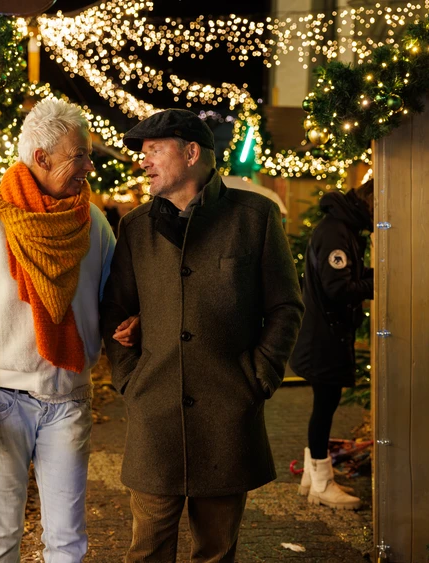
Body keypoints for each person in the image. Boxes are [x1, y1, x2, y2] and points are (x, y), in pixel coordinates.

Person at [100, 109, 304, 563]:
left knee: (215, 552)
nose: (144, 161)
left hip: (227, 416)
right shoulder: (135, 227)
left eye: (154, 150)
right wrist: (129, 379)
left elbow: (285, 307)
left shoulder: (256, 218)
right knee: (147, 550)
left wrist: (259, 379)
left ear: (192, 153)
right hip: (155, 413)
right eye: (143, 153)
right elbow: (115, 309)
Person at [0, 99, 117, 562]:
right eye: (80, 156)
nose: (89, 167)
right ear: (41, 158)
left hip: (69, 398)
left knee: (68, 540)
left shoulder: (92, 223)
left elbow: (116, 294)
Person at [289, 180, 374, 511]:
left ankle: (312, 477)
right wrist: (378, 281)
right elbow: (338, 287)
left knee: (324, 405)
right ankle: (322, 483)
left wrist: (370, 274)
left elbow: (346, 276)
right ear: (369, 201)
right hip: (324, 337)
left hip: (326, 334)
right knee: (324, 406)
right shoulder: (336, 231)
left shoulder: (341, 227)